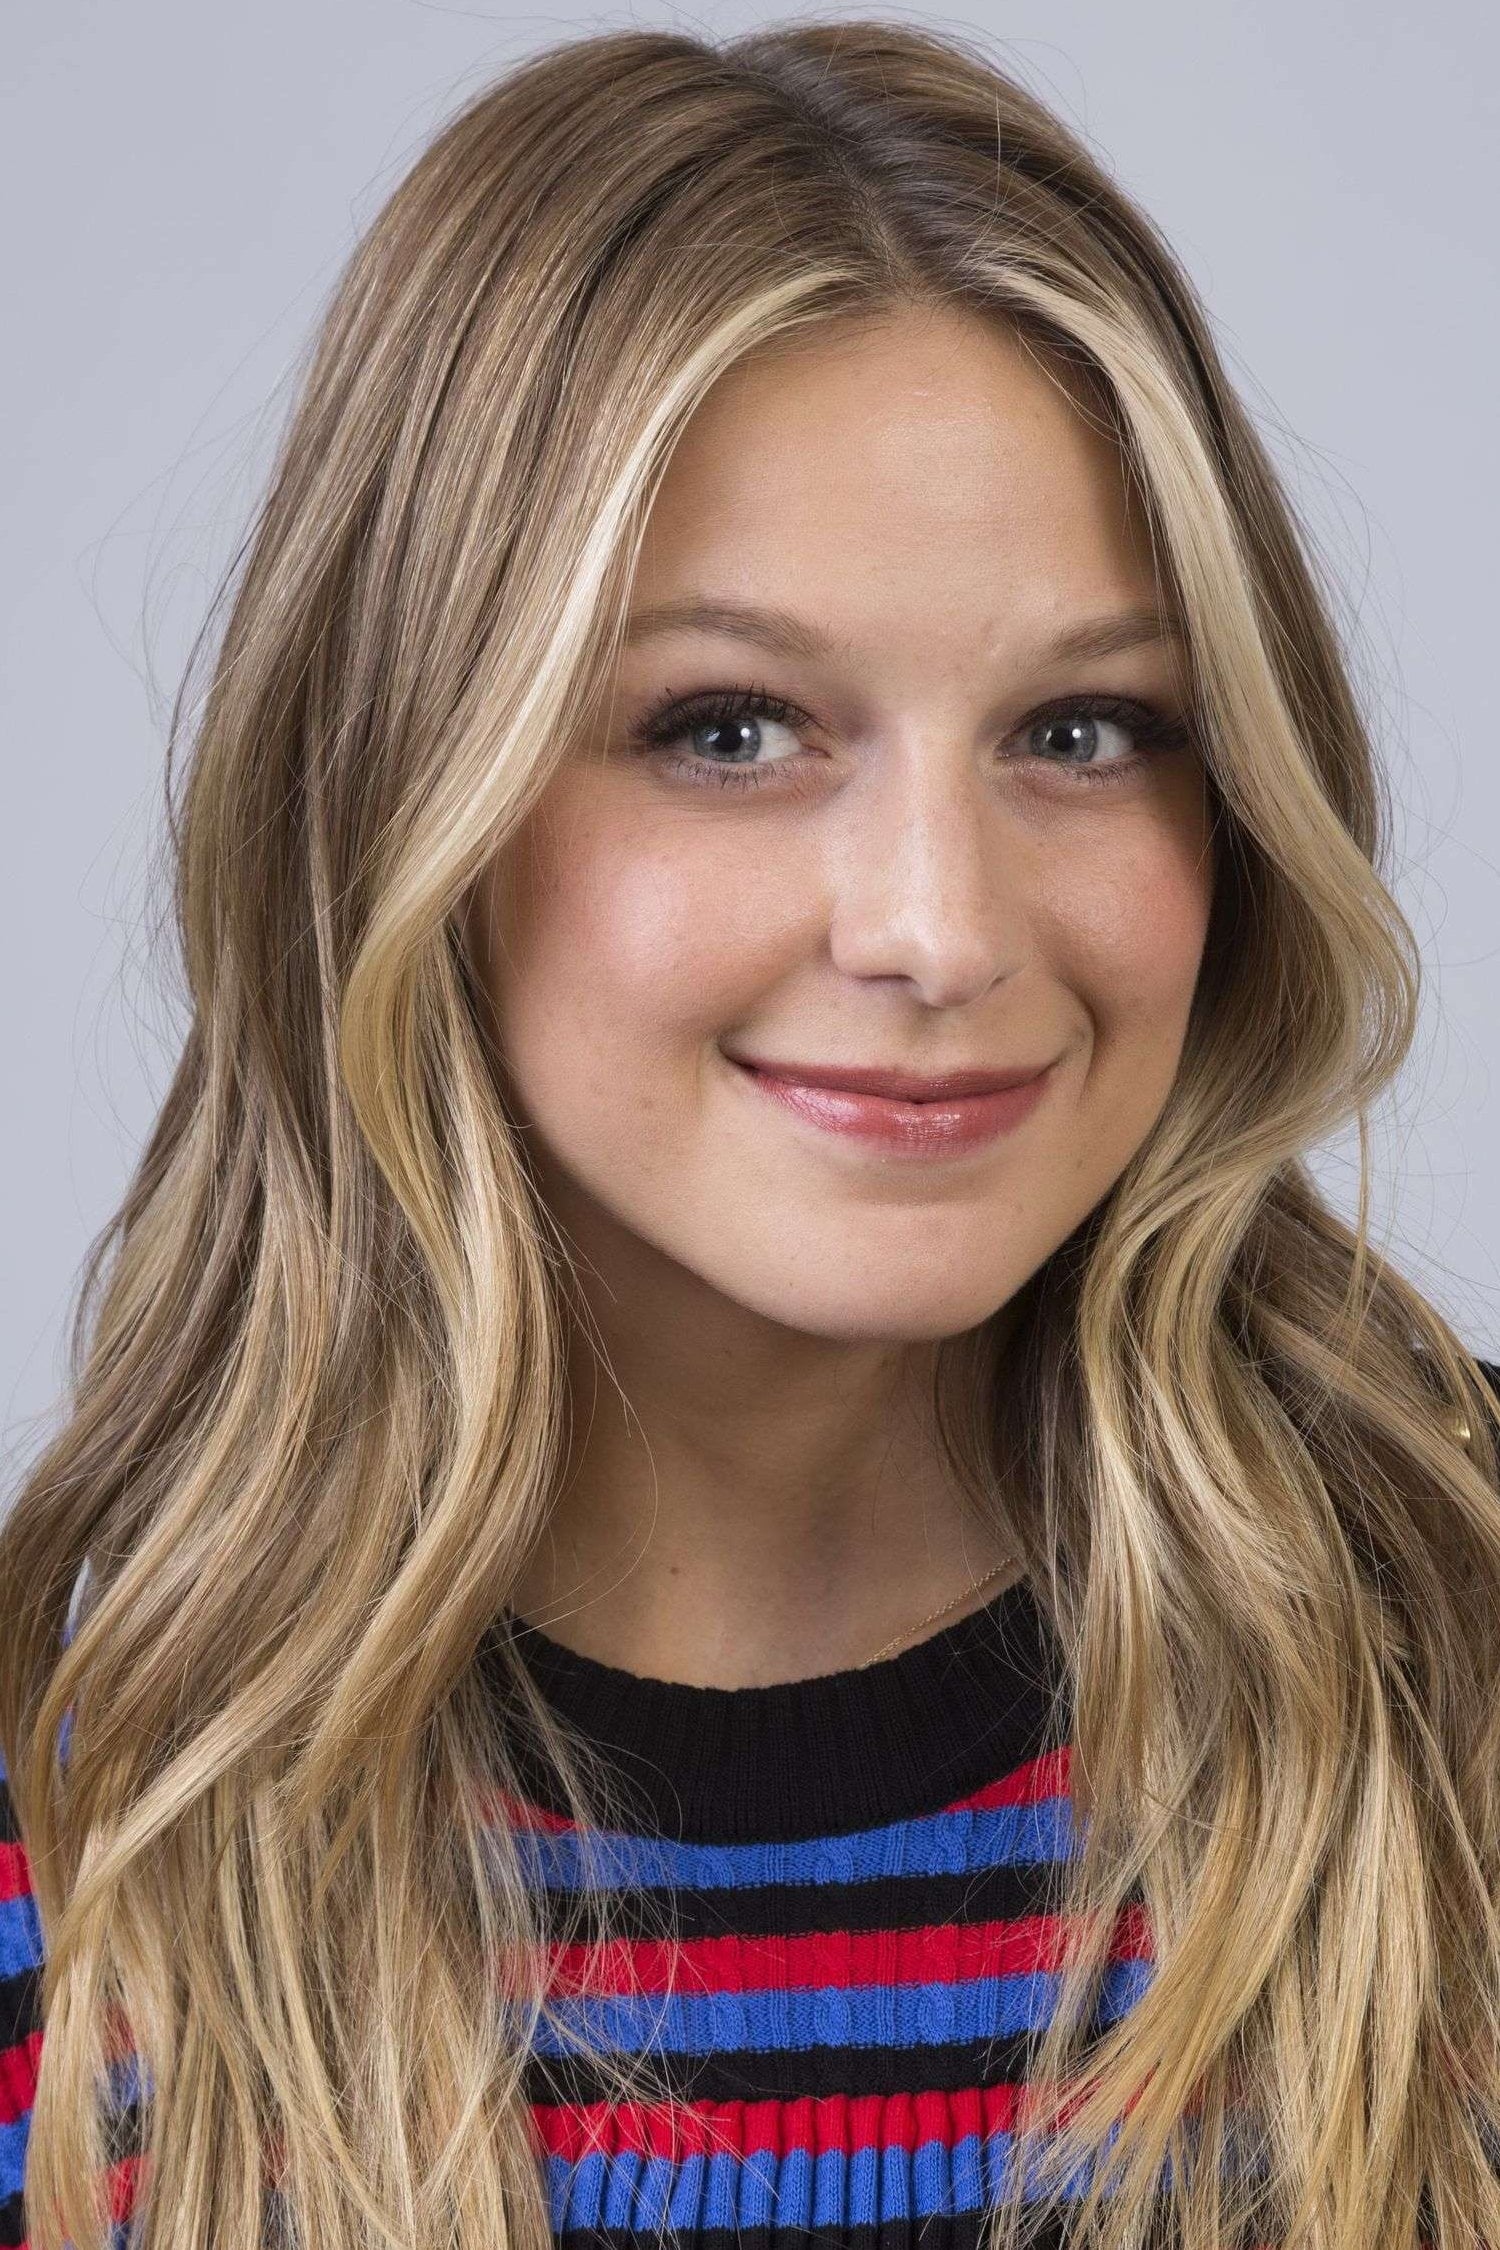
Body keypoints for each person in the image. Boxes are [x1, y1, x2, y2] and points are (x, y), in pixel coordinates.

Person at [1, 18, 1497, 2250]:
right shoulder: (72, 1855)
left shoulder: (1460, 1703)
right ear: (400, 797)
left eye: (1086, 728)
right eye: (727, 728)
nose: (941, 927)